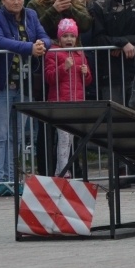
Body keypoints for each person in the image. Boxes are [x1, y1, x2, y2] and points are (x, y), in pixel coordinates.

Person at [0, 0, 51, 196]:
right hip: (2, 83)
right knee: (1, 133)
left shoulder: (31, 15)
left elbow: (44, 37)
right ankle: (0, 179)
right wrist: (29, 47)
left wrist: (41, 45)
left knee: (18, 135)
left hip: (25, 83)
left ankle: (15, 178)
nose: (16, 2)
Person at [26, 0, 92, 175]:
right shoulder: (36, 5)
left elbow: (86, 24)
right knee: (47, 122)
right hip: (49, 67)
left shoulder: (76, 2)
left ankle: (74, 168)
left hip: (73, 70)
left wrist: (69, 7)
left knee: (73, 125)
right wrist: (54, 11)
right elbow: (36, 29)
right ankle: (46, 169)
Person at [44, 19, 92, 177]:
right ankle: (63, 170)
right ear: (59, 38)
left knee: (71, 138)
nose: (69, 39)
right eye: (65, 36)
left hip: (76, 102)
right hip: (60, 102)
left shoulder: (80, 53)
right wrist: (63, 68)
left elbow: (87, 82)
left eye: (72, 35)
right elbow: (49, 77)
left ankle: (61, 169)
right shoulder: (53, 53)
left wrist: (86, 73)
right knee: (64, 138)